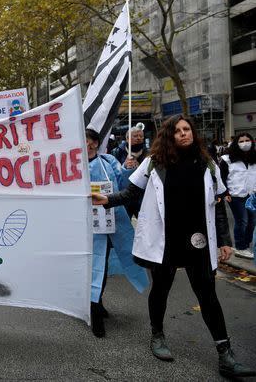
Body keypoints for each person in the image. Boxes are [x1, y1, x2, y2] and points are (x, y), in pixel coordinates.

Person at [93, 115, 255, 378]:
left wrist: (225, 242)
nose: (184, 134)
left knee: (208, 296)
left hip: (199, 242)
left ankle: (225, 354)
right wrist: (106, 200)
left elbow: (218, 205)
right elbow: (131, 193)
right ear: (169, 135)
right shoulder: (154, 163)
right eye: (178, 130)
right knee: (161, 290)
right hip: (165, 241)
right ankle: (157, 335)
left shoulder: (208, 163)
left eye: (187, 129)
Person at [85, 128, 149, 338]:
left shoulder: (109, 161)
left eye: (91, 141)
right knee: (95, 266)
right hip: (86, 225)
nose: (88, 144)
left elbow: (123, 187)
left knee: (104, 264)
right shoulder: (72, 165)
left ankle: (98, 301)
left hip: (112, 220)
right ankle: (94, 311)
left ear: (96, 142)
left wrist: (129, 170)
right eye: (83, 141)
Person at [219, 133, 256, 260]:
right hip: (235, 195)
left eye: (247, 140)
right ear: (236, 143)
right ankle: (240, 247)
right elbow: (222, 177)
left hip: (251, 194)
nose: (245, 143)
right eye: (241, 141)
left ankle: (246, 244)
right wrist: (226, 193)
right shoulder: (227, 159)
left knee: (252, 221)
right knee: (242, 221)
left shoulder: (253, 157)